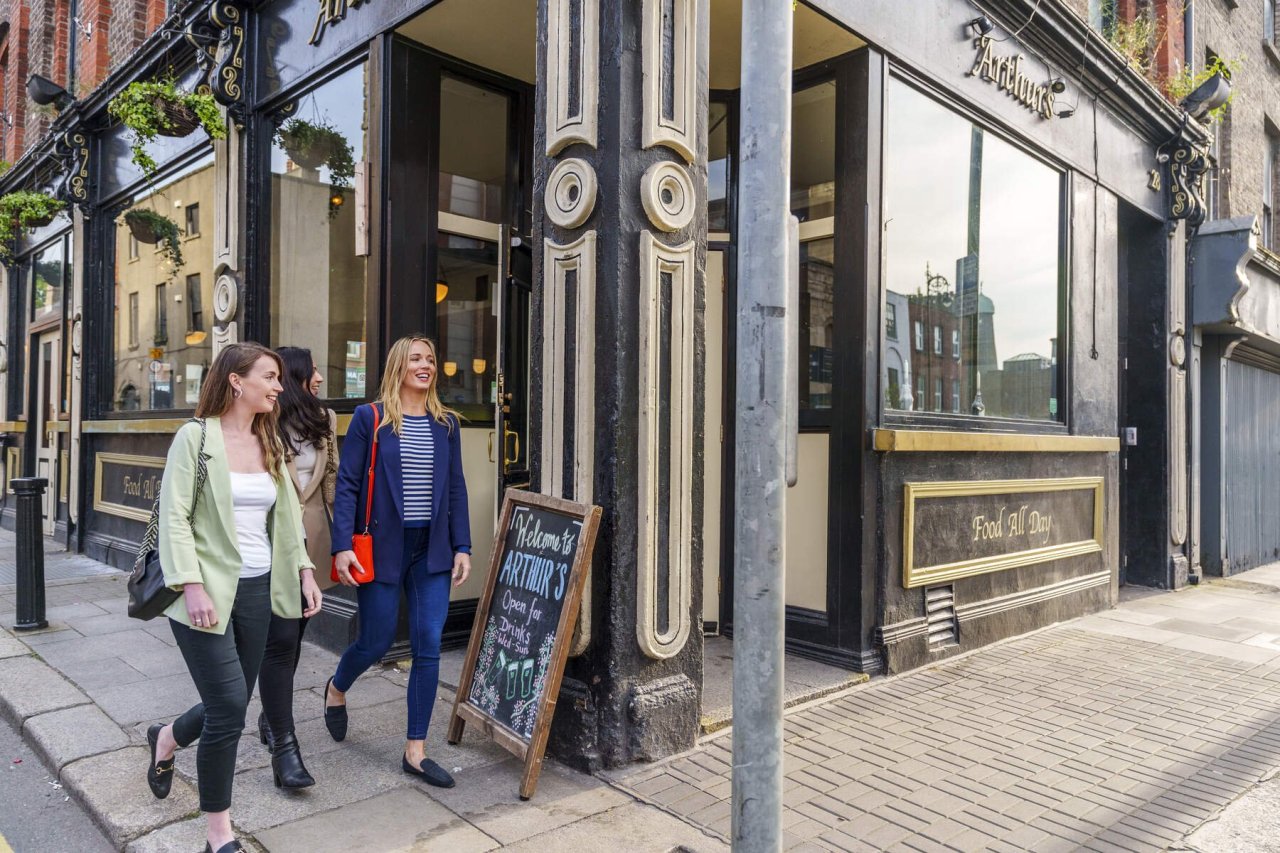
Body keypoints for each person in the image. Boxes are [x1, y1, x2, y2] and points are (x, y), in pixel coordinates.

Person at [144, 342, 322, 853]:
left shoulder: (268, 438)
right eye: (269, 376)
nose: (278, 386)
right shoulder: (195, 438)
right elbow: (174, 515)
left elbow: (286, 516)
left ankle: (166, 739)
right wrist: (191, 585)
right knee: (227, 709)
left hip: (259, 589)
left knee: (233, 702)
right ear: (236, 381)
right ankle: (219, 835)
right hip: (204, 591)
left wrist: (305, 571)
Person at [324, 335, 472, 788]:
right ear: (398, 367)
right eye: (416, 359)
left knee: (428, 642)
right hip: (382, 545)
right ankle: (337, 687)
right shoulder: (372, 419)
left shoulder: (446, 424)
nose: (425, 365)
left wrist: (462, 545)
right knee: (376, 639)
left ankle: (415, 750)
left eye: (430, 358)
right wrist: (342, 544)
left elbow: (455, 487)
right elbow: (347, 484)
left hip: (433, 549)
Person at [254, 346, 338, 789]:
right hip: (274, 544)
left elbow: (331, 483)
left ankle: (272, 716)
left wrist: (341, 542)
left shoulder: (325, 421)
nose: (321, 377)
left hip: (316, 541)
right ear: (294, 377)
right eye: (314, 370)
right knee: (280, 637)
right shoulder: (262, 422)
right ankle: (282, 735)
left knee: (296, 634)